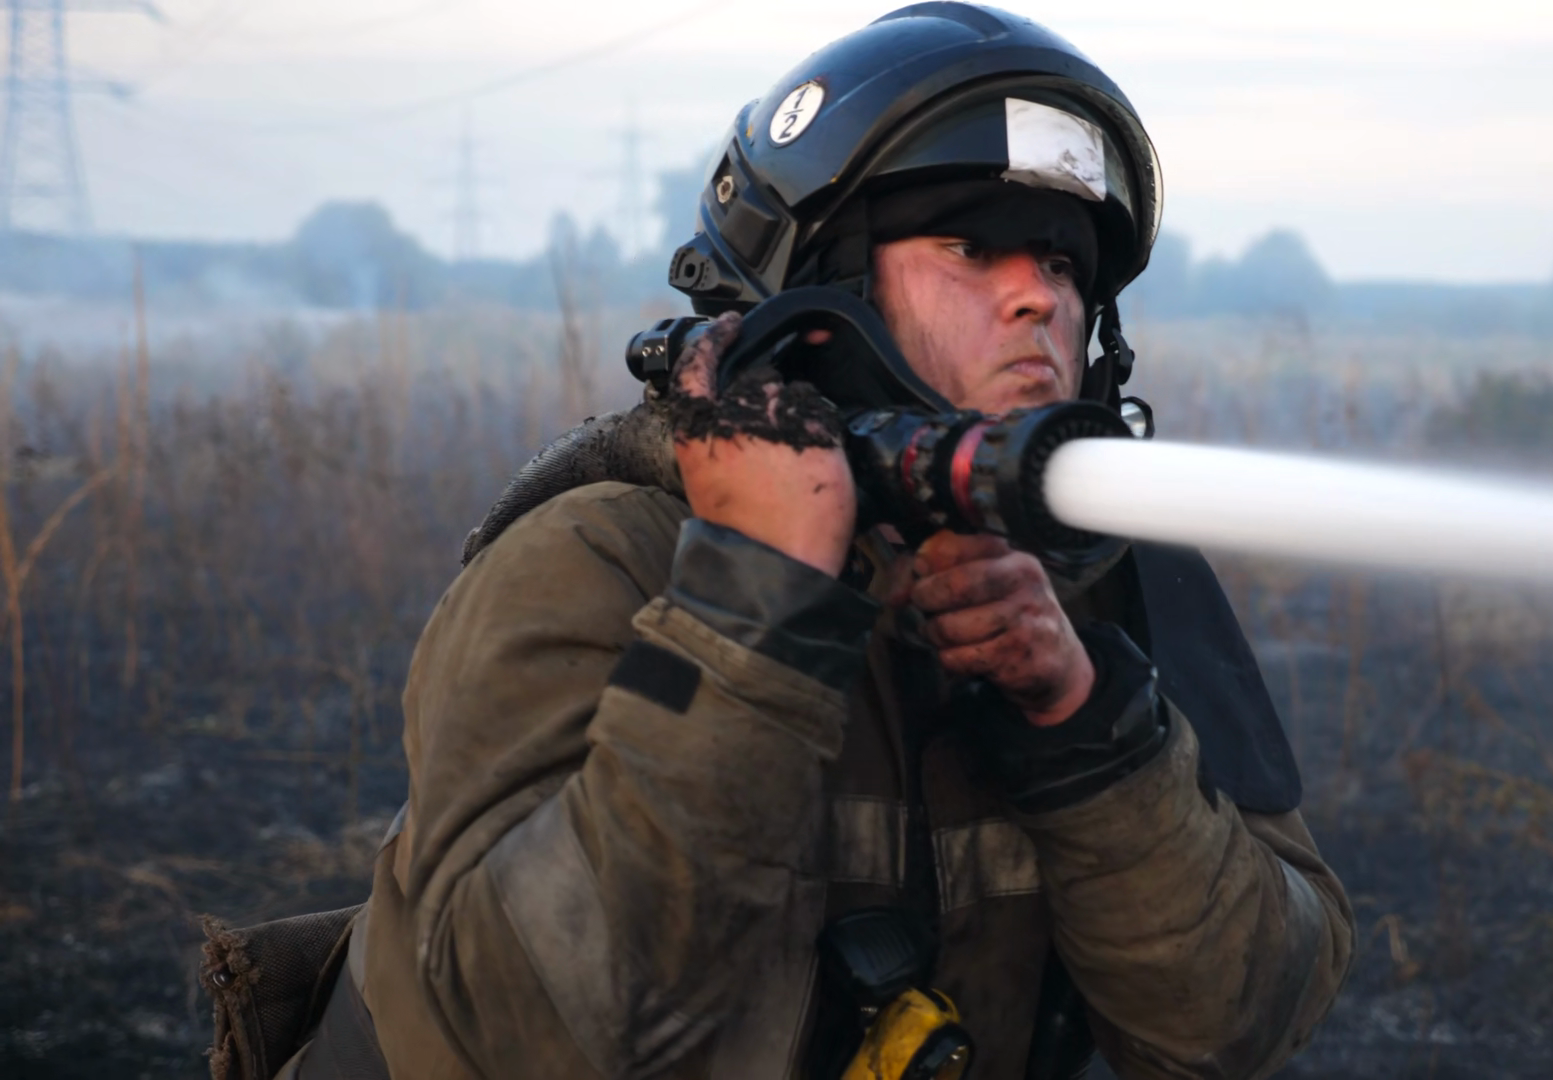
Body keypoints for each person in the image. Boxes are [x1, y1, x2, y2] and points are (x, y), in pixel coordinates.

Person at [202, 5, 1352, 1078]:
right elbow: (516, 1030)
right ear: (823, 298)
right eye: (970, 248)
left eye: (1062, 262)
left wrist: (1086, 722)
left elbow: (1234, 1023)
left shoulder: (1116, 591)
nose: (1038, 300)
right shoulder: (603, 556)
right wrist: (753, 606)